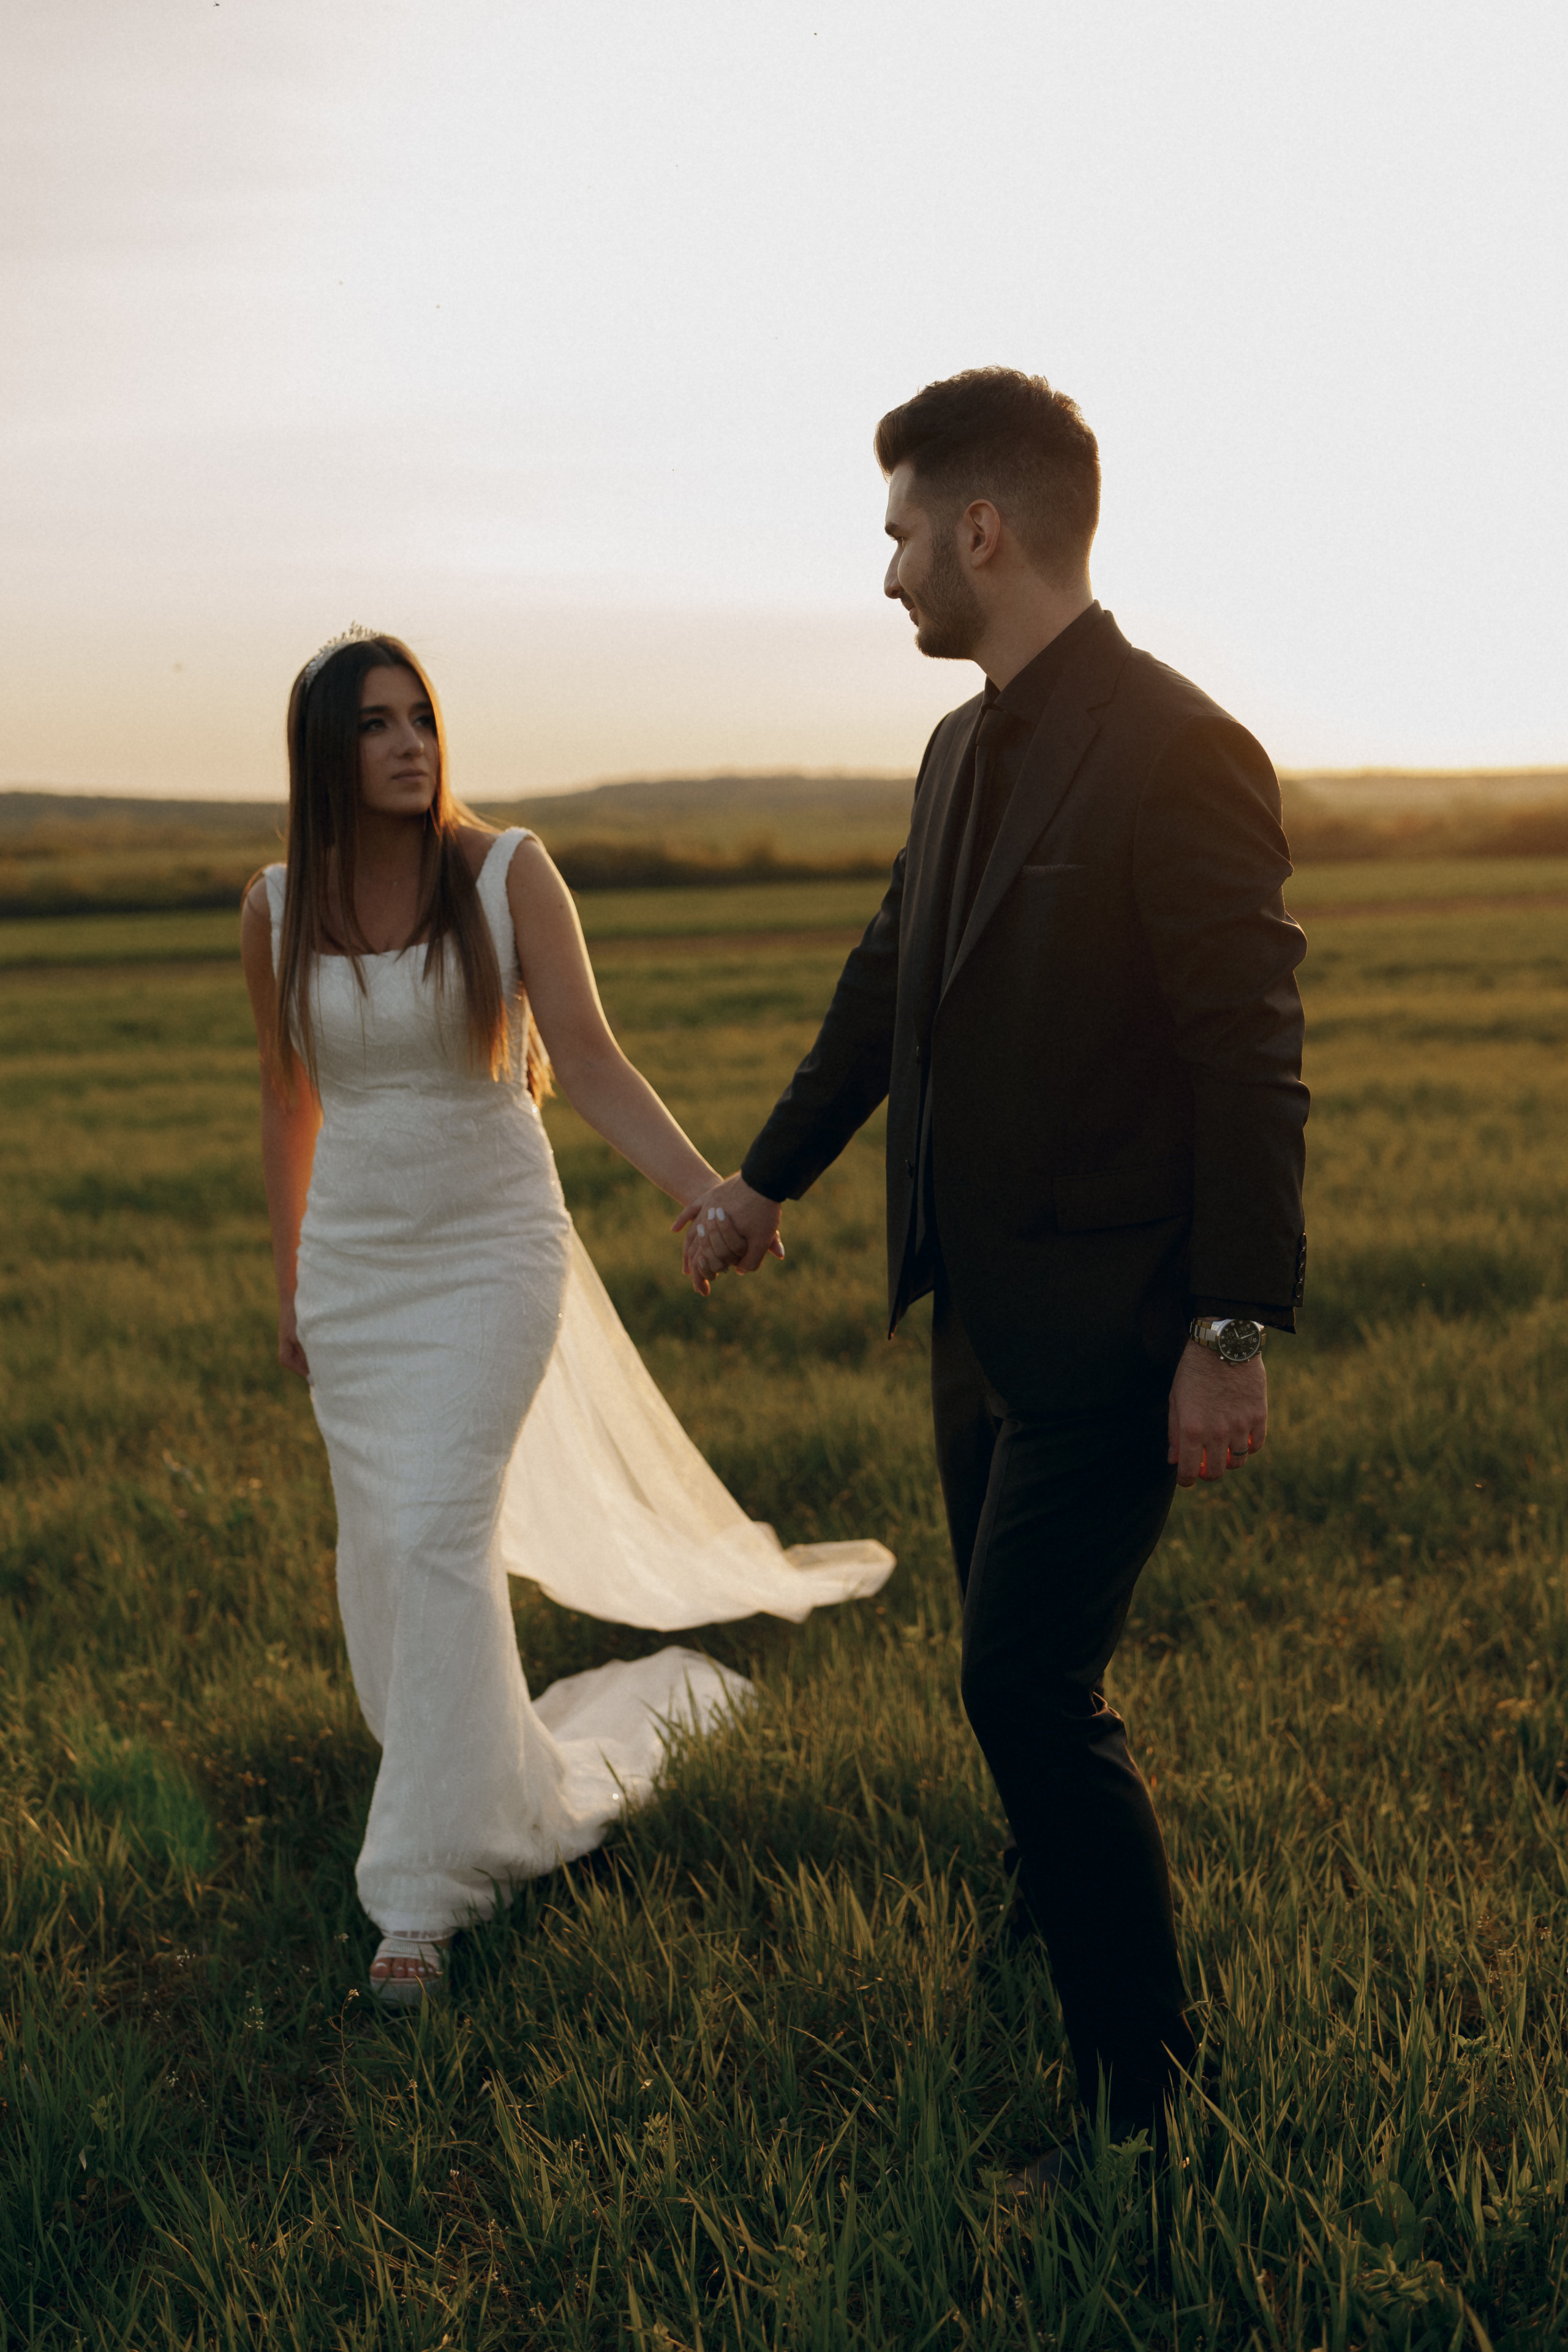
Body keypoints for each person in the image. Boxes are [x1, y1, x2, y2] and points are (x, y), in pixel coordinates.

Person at [680, 369, 1308, 2186]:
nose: (885, 577)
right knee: (1019, 1670)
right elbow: (895, 979)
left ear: (982, 529)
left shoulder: (1184, 749)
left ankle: (1147, 2111)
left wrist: (1228, 1332)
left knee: (1027, 1688)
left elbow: (1249, 1059)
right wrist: (766, 1178)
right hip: (977, 1319)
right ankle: (1050, 1922)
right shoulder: (960, 749)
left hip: (1126, 1326)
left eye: (897, 535)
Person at [240, 627, 892, 2007]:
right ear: (323, 750)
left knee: (434, 1534)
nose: (410, 741)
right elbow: (287, 1104)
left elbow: (586, 1061)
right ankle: (464, 1774)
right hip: (355, 1272)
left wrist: (714, 1189)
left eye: (420, 715)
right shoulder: (275, 905)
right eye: (374, 723)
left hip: (490, 1252)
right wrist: (289, 1273)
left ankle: (418, 1897)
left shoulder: (507, 872)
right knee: (387, 1554)